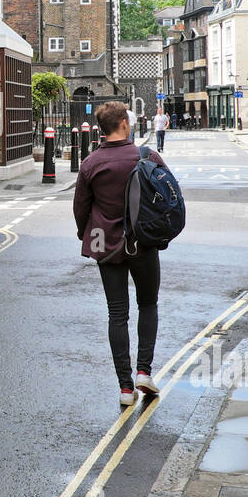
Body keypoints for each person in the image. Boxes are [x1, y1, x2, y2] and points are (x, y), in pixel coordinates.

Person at [73, 101, 166, 407]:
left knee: (117, 313)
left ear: (102, 128)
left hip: (106, 245)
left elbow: (81, 209)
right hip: (143, 243)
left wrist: (85, 234)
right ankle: (143, 371)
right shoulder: (146, 156)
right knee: (148, 304)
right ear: (124, 124)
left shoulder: (91, 163)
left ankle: (126, 389)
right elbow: (168, 197)